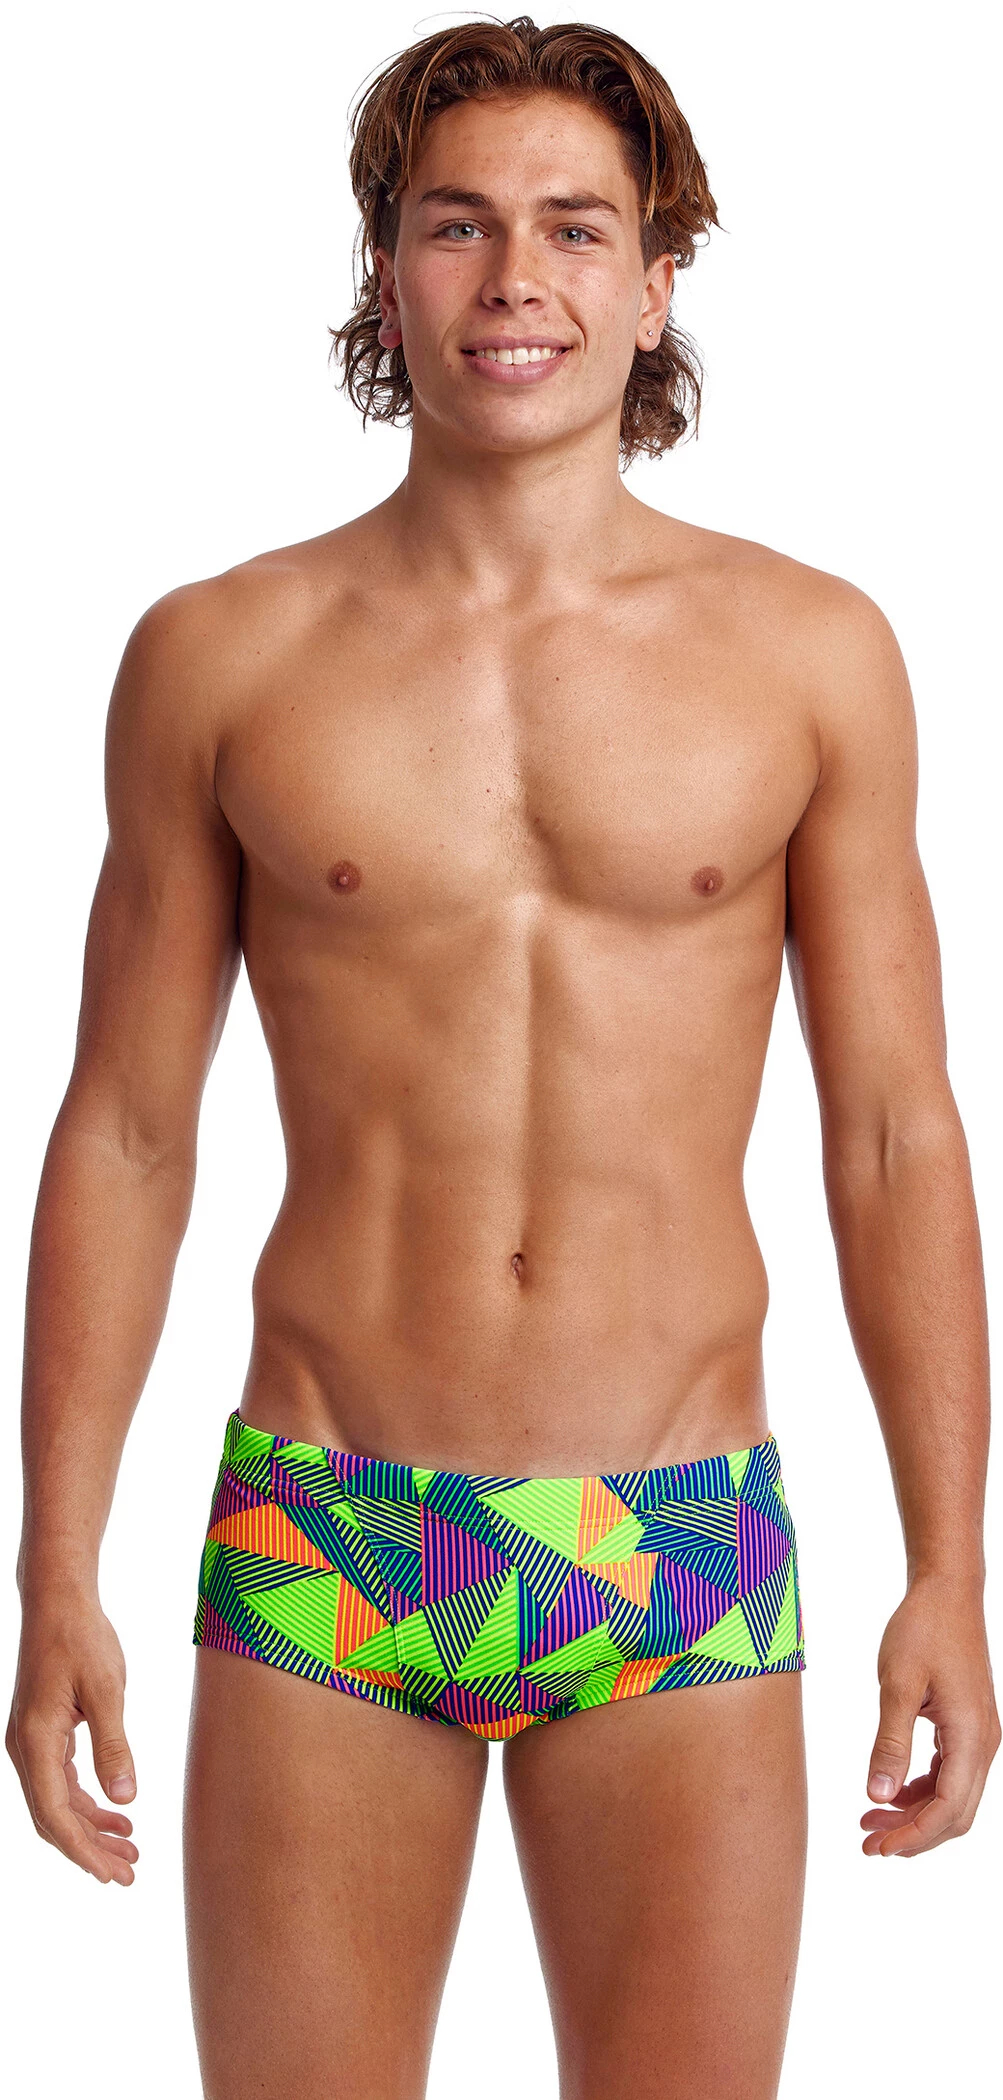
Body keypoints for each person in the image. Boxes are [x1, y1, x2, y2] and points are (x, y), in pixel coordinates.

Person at [7, 14, 999, 2100]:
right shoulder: (221, 654)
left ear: (657, 282)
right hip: (331, 1527)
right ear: (385, 273)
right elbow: (126, 1130)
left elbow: (894, 1133)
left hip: (678, 1537)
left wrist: (950, 1566)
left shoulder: (810, 654)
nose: (516, 277)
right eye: (458, 226)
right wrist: (52, 1564)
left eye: (576, 227)